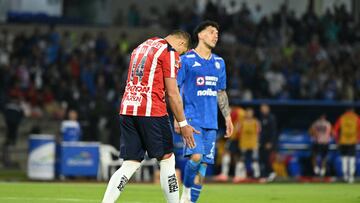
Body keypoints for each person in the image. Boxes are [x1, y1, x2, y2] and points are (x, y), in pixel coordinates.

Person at [101, 30, 198, 203]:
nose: (179, 56)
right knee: (167, 159)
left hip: (128, 108)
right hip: (151, 110)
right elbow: (173, 93)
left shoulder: (141, 46)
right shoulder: (169, 52)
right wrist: (183, 123)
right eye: (182, 53)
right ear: (182, 44)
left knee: (130, 163)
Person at [175, 21, 234, 203]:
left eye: (217, 32)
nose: (215, 35)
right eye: (211, 32)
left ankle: (191, 201)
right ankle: (185, 191)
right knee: (196, 156)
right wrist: (178, 119)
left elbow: (221, 92)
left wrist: (228, 117)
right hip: (192, 118)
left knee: (203, 167)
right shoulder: (186, 60)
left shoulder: (219, 63)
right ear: (200, 35)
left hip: (211, 122)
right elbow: (175, 89)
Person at [214, 106, 245, 182]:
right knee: (236, 156)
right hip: (238, 138)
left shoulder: (237, 112)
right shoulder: (241, 112)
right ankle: (239, 176)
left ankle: (228, 175)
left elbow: (234, 124)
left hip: (236, 137)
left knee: (233, 155)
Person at [233, 108, 261, 182]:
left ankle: (256, 176)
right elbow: (237, 132)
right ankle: (239, 176)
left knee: (255, 160)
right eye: (248, 113)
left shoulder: (256, 122)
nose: (249, 114)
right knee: (241, 159)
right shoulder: (241, 122)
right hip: (243, 144)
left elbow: (258, 132)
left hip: (253, 143)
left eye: (250, 113)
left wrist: (257, 142)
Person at [333, 108, 360, 183]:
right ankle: (351, 177)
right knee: (351, 159)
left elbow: (335, 130)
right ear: (352, 111)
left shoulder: (342, 117)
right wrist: (358, 138)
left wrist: (337, 140)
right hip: (353, 141)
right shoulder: (356, 117)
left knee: (344, 159)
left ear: (346, 111)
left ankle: (345, 176)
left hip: (343, 141)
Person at [258, 104, 277, 181]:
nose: (263, 110)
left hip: (268, 142)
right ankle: (265, 175)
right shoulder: (262, 118)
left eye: (264, 108)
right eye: (262, 109)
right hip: (262, 142)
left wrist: (270, 142)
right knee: (262, 158)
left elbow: (273, 131)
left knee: (267, 158)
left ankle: (272, 172)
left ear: (268, 109)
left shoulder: (271, 118)